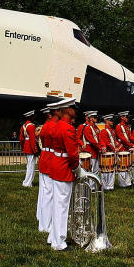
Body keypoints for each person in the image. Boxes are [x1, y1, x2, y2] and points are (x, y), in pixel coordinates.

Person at [44, 99, 81, 251]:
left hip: (55, 165)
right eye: (73, 108)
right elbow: (72, 154)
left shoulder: (58, 125)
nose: (75, 111)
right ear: (68, 110)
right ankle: (59, 242)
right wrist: (77, 169)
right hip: (63, 167)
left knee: (56, 205)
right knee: (61, 206)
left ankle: (53, 237)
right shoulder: (68, 128)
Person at [36, 104, 59, 233]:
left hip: (46, 157)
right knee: (48, 194)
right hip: (49, 158)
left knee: (46, 193)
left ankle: (44, 222)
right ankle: (45, 225)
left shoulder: (48, 126)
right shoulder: (51, 126)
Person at [98, 115, 117, 191]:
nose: (112, 122)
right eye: (110, 120)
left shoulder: (112, 130)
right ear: (106, 121)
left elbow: (114, 141)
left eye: (112, 120)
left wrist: (117, 146)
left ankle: (110, 185)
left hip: (111, 152)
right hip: (107, 153)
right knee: (105, 170)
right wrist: (114, 148)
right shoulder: (104, 131)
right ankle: (105, 186)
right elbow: (106, 142)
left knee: (112, 170)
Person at [20, 110, 39, 187]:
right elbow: (32, 140)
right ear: (30, 117)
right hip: (30, 148)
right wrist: (35, 150)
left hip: (26, 147)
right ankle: (27, 183)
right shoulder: (31, 126)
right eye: (33, 116)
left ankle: (26, 182)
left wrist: (23, 147)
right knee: (31, 167)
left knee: (29, 165)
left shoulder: (23, 126)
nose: (34, 118)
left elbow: (21, 139)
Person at [79, 110, 101, 175]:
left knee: (96, 170)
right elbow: (78, 138)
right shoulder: (83, 127)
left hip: (96, 150)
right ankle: (90, 185)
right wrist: (81, 144)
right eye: (95, 117)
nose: (96, 118)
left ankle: (94, 185)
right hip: (89, 150)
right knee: (90, 170)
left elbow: (99, 138)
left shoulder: (95, 127)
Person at [115, 112, 133, 188]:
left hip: (126, 147)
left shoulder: (127, 126)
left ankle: (128, 182)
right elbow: (122, 138)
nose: (127, 118)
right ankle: (122, 183)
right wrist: (131, 145)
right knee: (122, 166)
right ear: (122, 117)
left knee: (127, 166)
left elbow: (130, 136)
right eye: (126, 117)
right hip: (122, 147)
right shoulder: (119, 127)